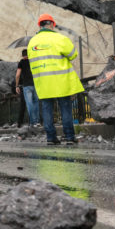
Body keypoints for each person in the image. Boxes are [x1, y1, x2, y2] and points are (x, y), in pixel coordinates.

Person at [27, 13, 84, 145]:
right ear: (52, 24)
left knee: (47, 110)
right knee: (65, 108)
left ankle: (51, 138)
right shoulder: (59, 38)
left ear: (39, 26)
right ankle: (70, 137)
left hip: (44, 83)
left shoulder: (32, 43)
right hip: (61, 81)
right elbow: (72, 54)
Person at [15, 48, 40, 128]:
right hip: (35, 85)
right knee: (36, 103)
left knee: (30, 104)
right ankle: (38, 122)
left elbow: (18, 75)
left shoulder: (21, 62)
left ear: (22, 55)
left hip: (26, 86)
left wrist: (16, 85)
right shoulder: (33, 61)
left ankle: (33, 122)